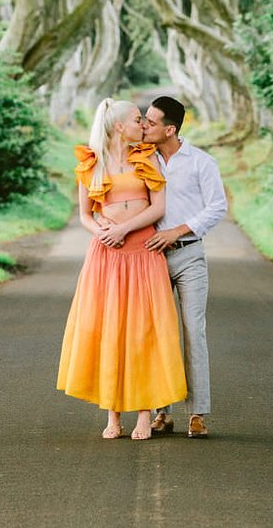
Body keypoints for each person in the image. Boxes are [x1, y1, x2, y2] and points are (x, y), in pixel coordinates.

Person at [56, 98, 187, 441]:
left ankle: (144, 414)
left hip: (142, 251)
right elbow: (84, 213)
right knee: (110, 331)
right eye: (136, 119)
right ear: (119, 127)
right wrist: (101, 231)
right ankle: (113, 415)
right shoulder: (91, 163)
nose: (142, 124)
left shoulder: (145, 159)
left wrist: (124, 229)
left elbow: (158, 208)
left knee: (143, 332)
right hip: (107, 256)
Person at [141, 94, 227, 439]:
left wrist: (178, 230)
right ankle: (161, 412)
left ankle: (198, 413)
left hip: (189, 253)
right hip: (150, 258)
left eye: (150, 122)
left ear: (170, 128)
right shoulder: (142, 160)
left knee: (194, 331)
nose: (144, 126)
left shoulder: (201, 163)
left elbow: (217, 207)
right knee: (157, 334)